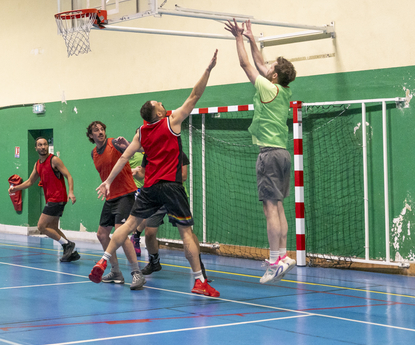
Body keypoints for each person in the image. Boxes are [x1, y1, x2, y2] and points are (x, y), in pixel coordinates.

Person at [90, 51, 220, 298]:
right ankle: (199, 281)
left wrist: (107, 180)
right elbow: (195, 94)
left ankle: (104, 260)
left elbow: (124, 157)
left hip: (149, 187)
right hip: (170, 185)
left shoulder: (141, 132)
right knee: (186, 233)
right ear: (159, 113)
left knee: (128, 225)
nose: (161, 103)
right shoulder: (171, 121)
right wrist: (209, 69)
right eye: (158, 103)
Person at [225, 19, 297, 283]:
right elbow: (260, 63)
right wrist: (253, 38)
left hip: (269, 155)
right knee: (278, 206)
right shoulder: (283, 90)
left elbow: (247, 65)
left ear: (274, 76)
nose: (266, 67)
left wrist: (238, 38)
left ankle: (276, 260)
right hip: (283, 155)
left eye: (271, 68)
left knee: (269, 208)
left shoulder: (267, 87)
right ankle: (284, 255)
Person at [86, 121, 144, 289]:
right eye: (96, 130)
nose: (100, 132)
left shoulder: (113, 143)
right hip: (110, 197)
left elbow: (131, 155)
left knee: (121, 232)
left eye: (102, 129)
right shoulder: (94, 153)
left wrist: (126, 147)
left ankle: (136, 273)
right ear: (90, 135)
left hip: (126, 194)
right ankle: (116, 272)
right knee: (102, 234)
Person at [134, 153, 209, 282]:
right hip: (157, 197)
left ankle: (199, 266)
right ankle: (154, 262)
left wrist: (162, 176)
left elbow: (184, 176)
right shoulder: (150, 155)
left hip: (175, 196)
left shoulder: (178, 153)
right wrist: (135, 173)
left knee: (188, 233)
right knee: (149, 233)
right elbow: (144, 176)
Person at [8, 137, 79, 262]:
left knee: (41, 226)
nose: (43, 147)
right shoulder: (37, 164)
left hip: (57, 198)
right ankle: (70, 252)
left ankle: (67, 245)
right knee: (53, 227)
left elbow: (68, 176)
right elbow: (30, 181)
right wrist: (15, 188)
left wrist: (71, 192)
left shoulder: (54, 160)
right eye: (40, 145)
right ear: (36, 148)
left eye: (45, 144)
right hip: (51, 198)